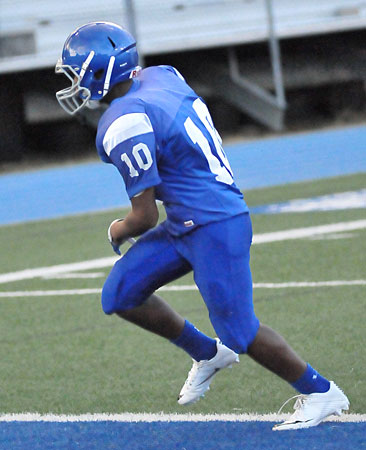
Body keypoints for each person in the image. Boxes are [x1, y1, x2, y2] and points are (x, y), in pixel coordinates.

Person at [55, 21, 349, 430]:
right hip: (188, 220)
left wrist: (117, 230)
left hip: (214, 224)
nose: (72, 85)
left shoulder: (124, 122)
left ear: (101, 71)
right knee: (120, 294)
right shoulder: (163, 75)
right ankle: (207, 353)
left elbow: (144, 217)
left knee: (241, 332)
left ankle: (321, 392)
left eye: (76, 73)